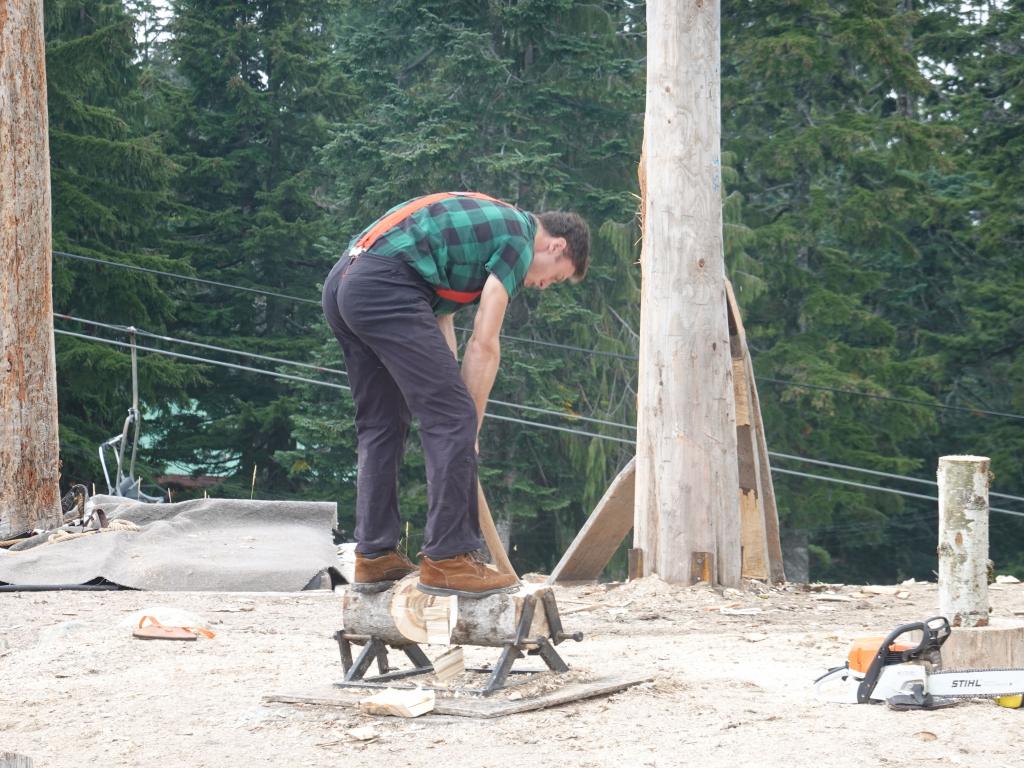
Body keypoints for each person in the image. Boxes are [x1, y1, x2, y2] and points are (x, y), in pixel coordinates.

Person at [321, 192, 589, 598]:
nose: (542, 285)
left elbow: (439, 331)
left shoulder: (469, 241)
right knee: (454, 416)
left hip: (347, 283)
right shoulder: (519, 234)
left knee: (383, 423)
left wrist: (457, 429)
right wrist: (468, 426)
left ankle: (374, 555)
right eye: (554, 275)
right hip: (384, 283)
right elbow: (485, 343)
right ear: (556, 246)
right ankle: (450, 558)